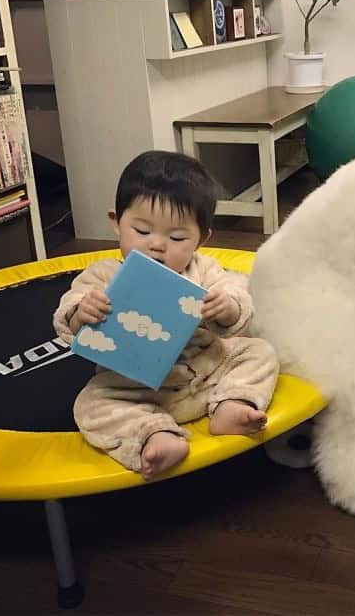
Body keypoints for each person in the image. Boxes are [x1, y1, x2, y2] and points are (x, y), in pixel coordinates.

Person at [54, 150, 279, 480]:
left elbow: (236, 295)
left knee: (259, 351)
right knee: (90, 403)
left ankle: (232, 403)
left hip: (206, 372)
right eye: (142, 231)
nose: (157, 245)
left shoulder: (204, 269)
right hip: (135, 389)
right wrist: (81, 313)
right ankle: (154, 434)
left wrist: (227, 308)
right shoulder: (103, 275)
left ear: (201, 239)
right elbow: (69, 313)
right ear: (117, 223)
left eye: (176, 237)